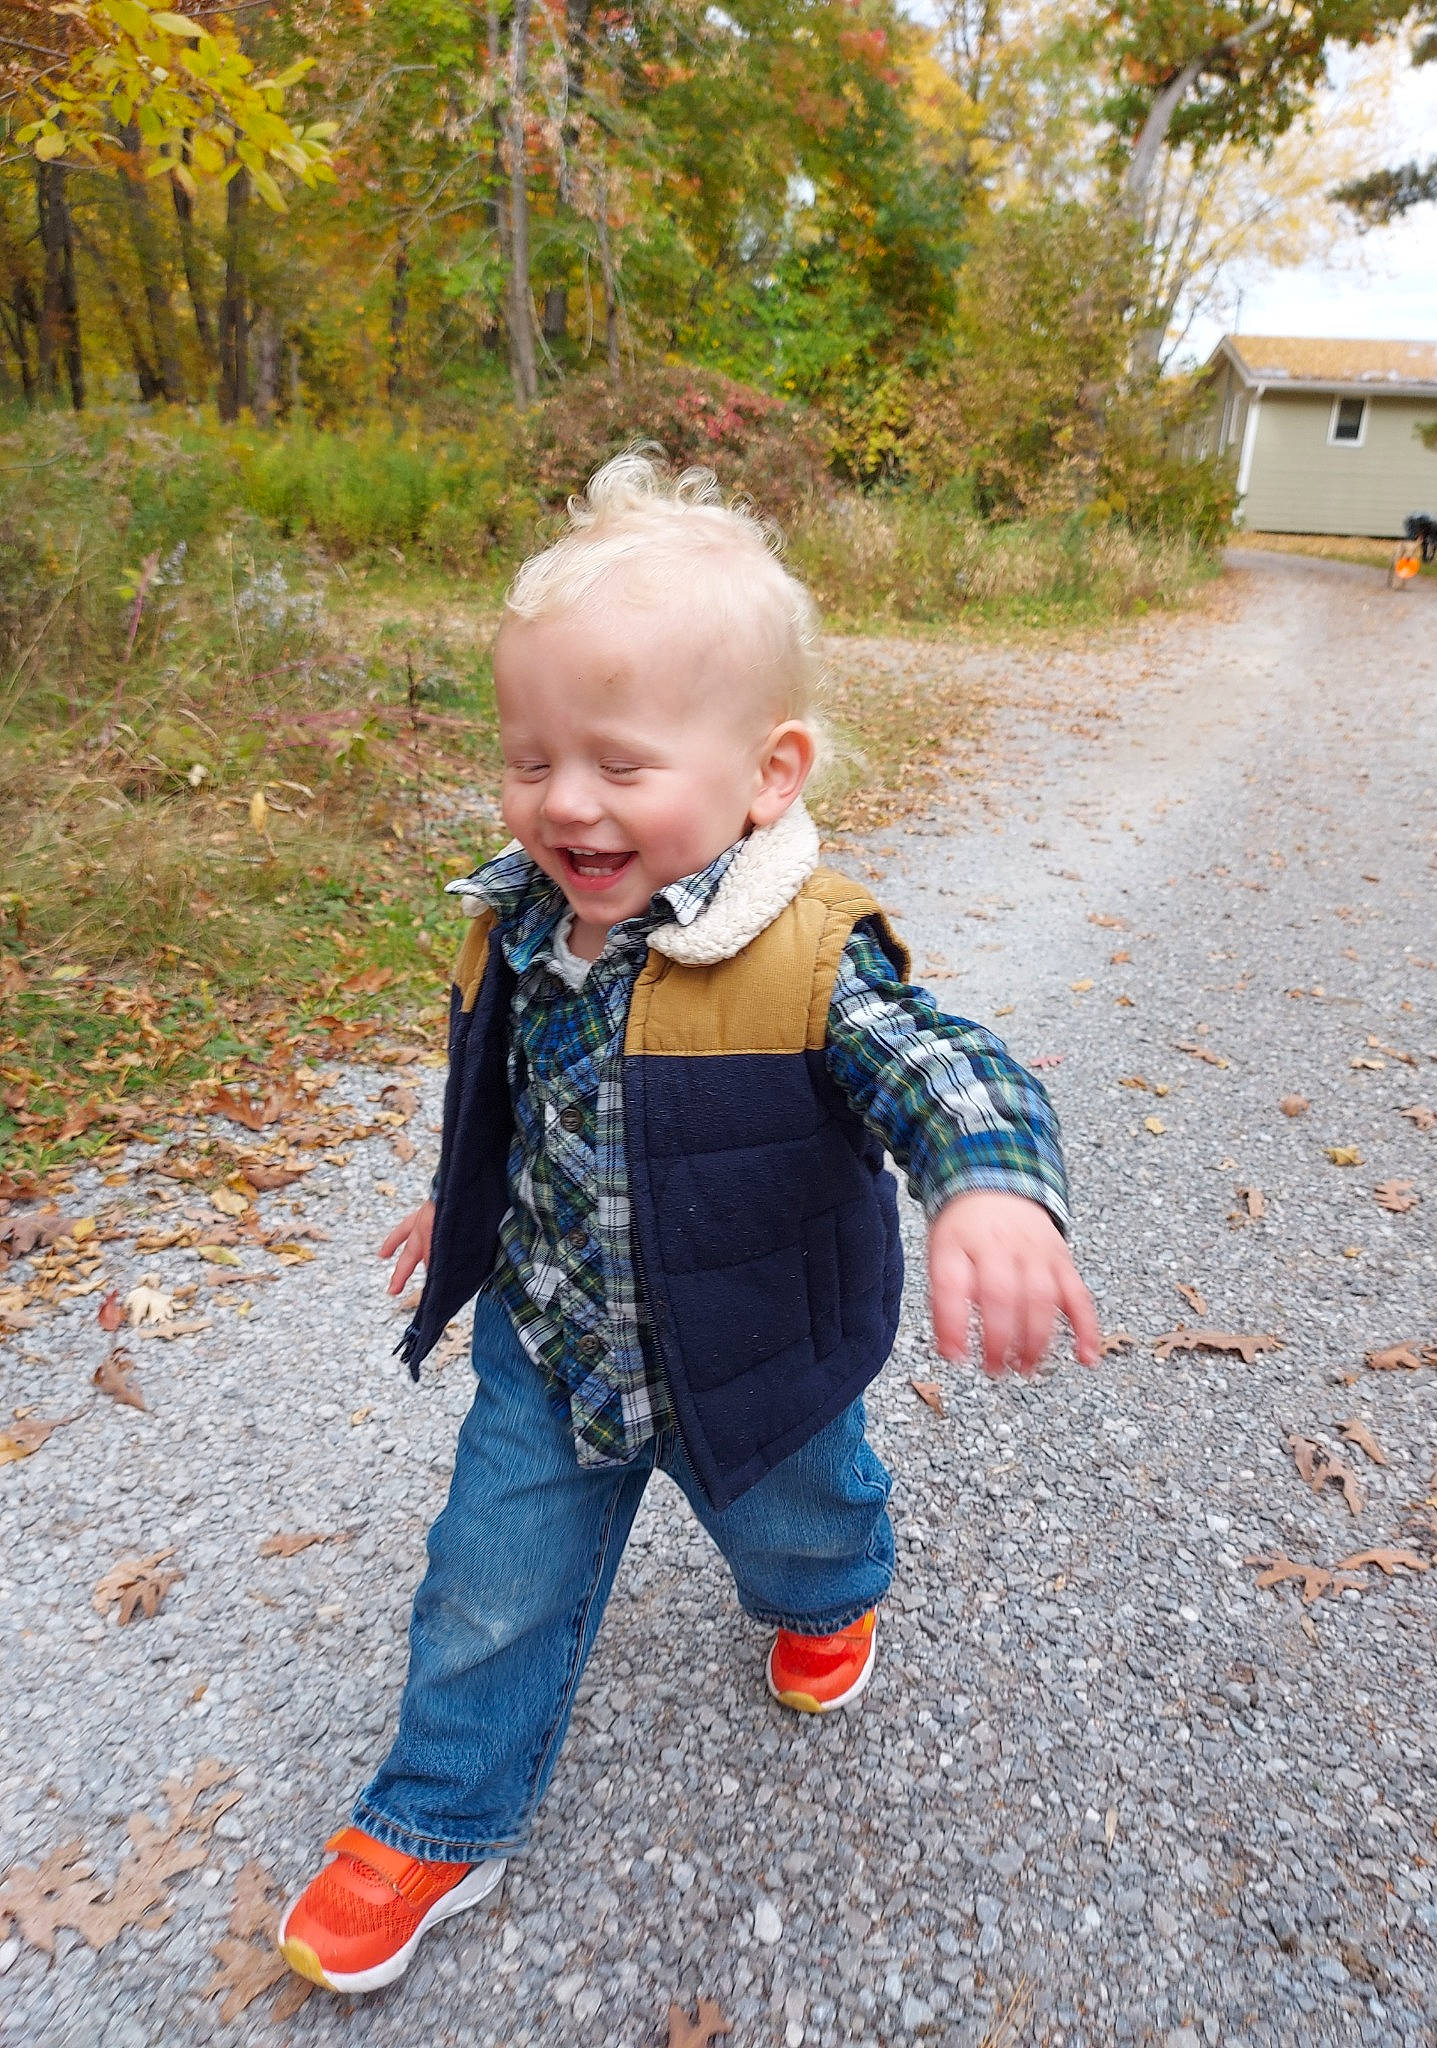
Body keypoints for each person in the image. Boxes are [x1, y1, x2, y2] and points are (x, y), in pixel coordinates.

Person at [275, 452, 1101, 1997]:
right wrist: (452, 1209)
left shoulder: (801, 958)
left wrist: (988, 1181)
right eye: (530, 759)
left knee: (800, 1522)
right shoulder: (522, 926)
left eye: (618, 764)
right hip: (557, 1345)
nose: (564, 802)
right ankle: (436, 1818)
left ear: (766, 774)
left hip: (755, 1349)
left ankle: (831, 1595)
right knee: (488, 1578)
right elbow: (521, 1106)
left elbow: (948, 1068)